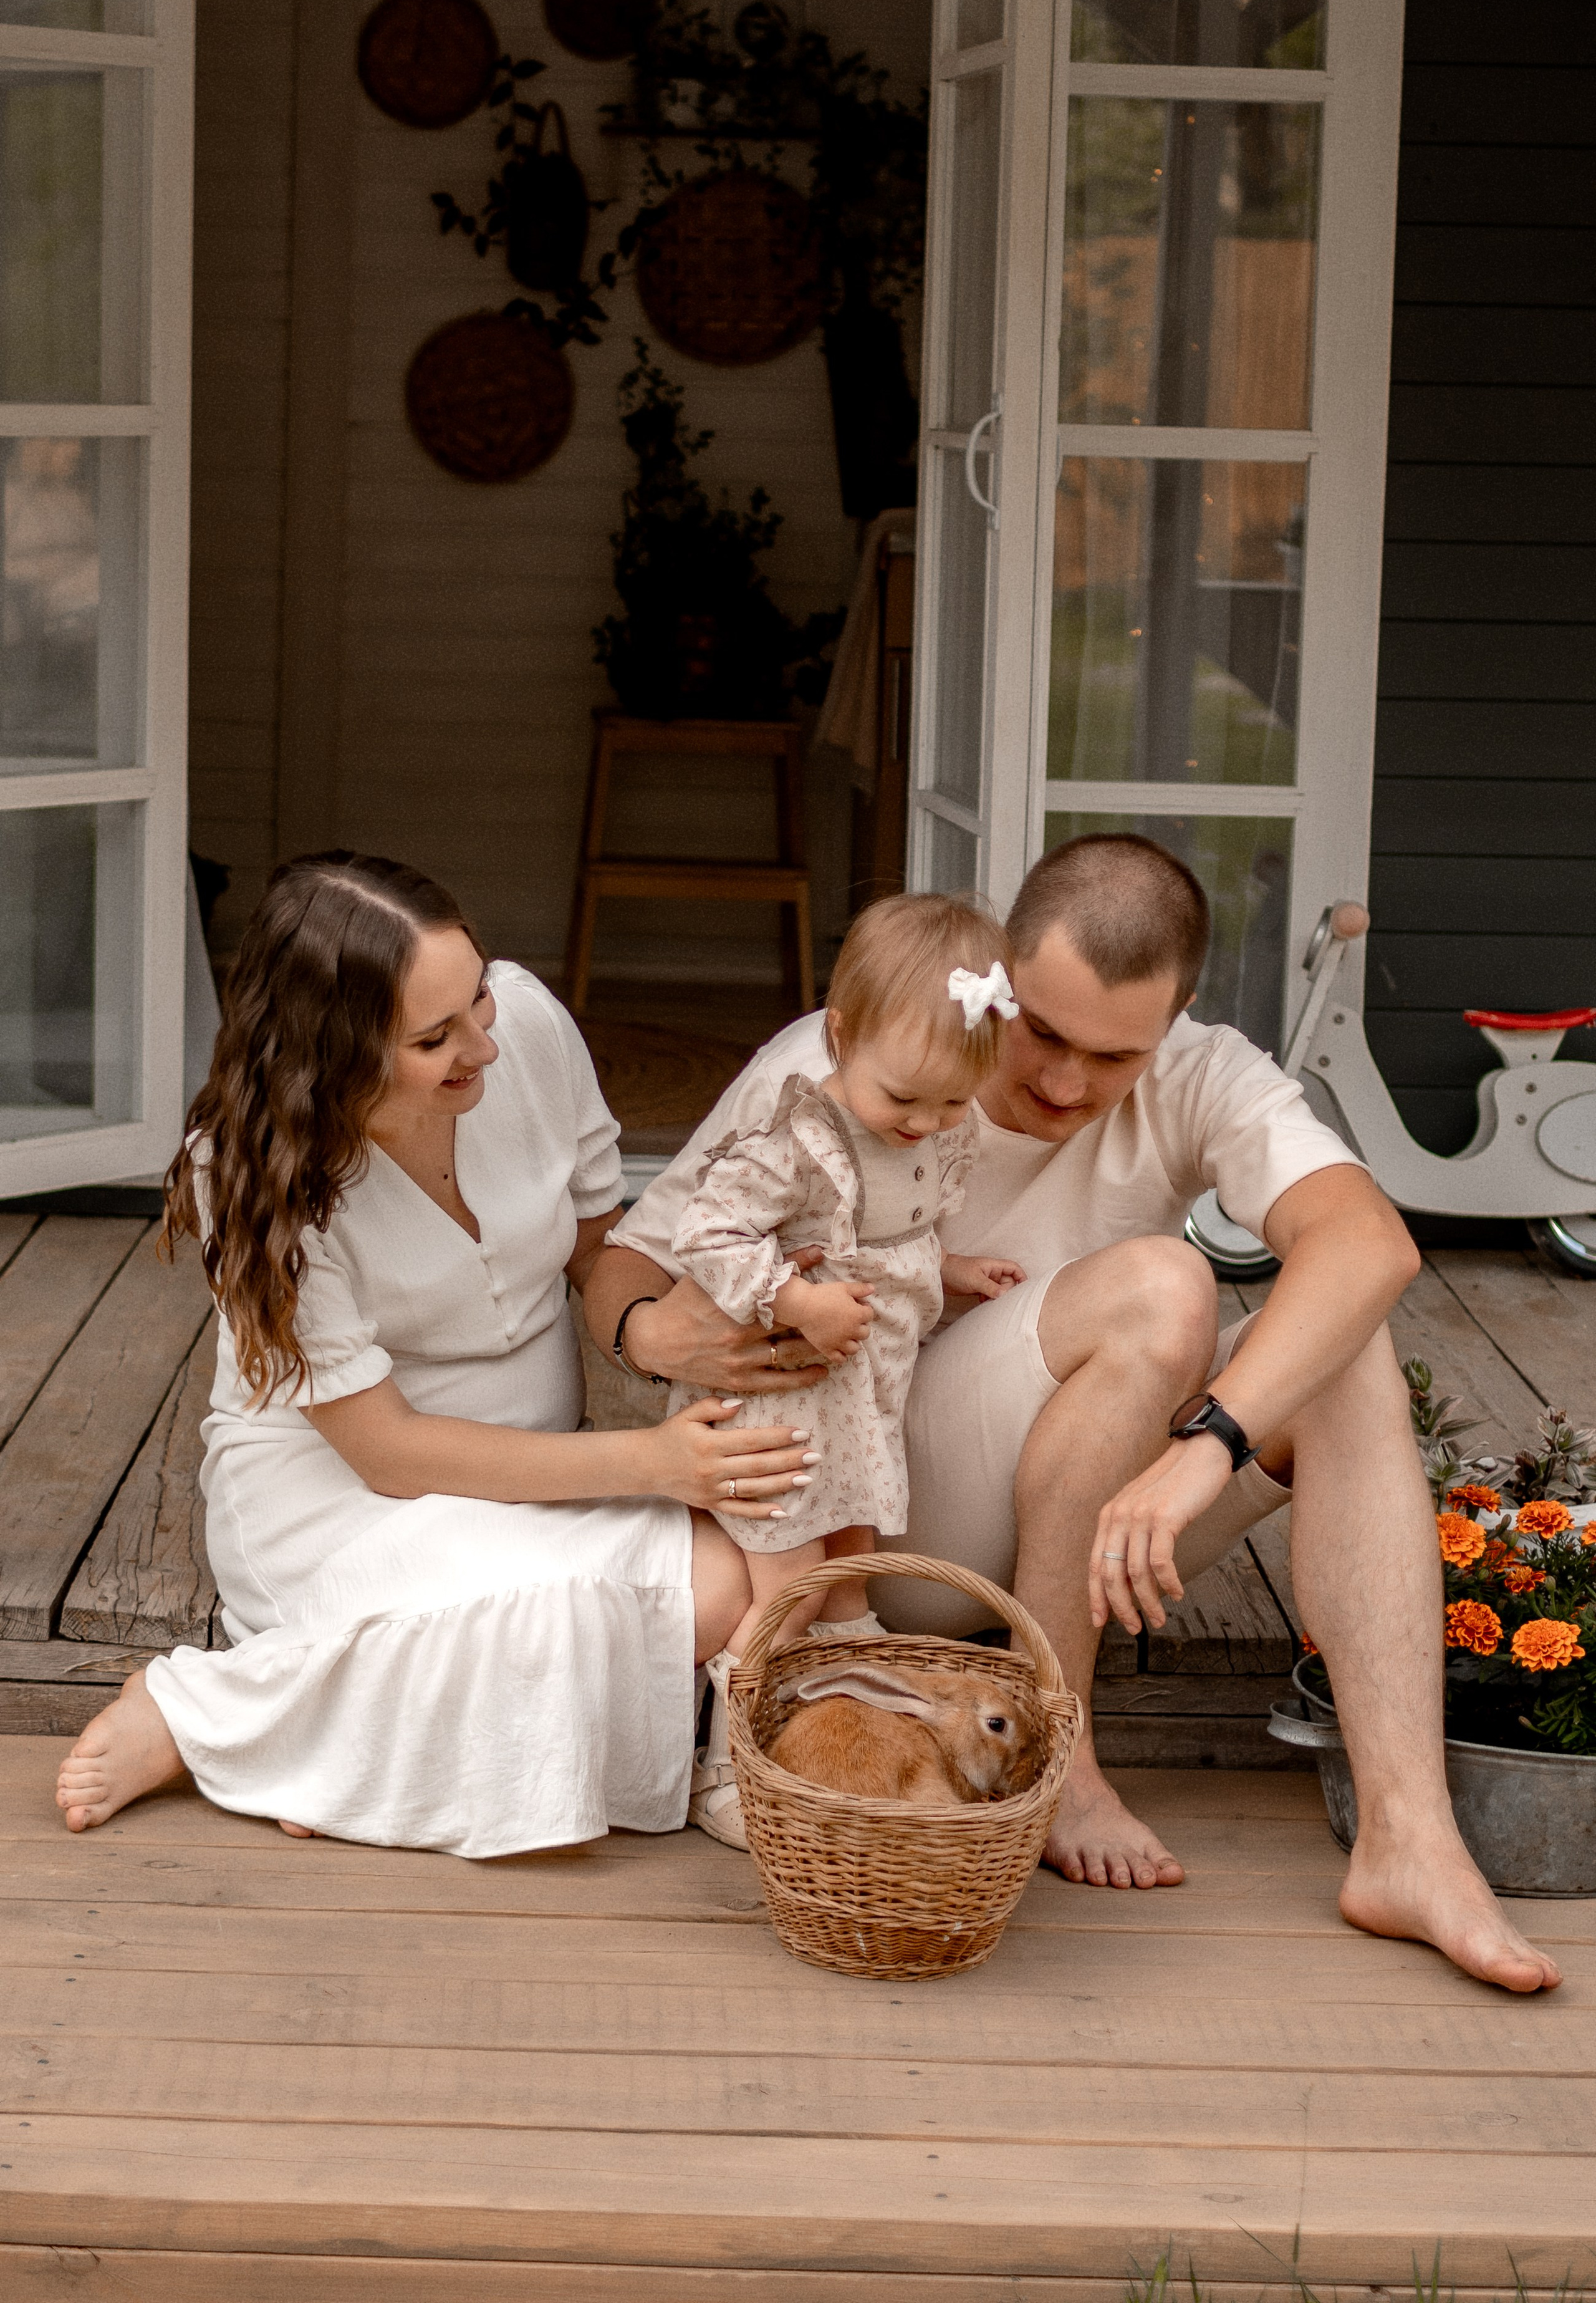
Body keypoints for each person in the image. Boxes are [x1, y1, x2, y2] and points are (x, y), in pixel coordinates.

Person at [587, 834, 1561, 1993]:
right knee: (1166, 1282)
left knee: (1345, 1344)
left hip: (1087, 1520)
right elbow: (625, 1261)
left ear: (1178, 1017)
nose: (1060, 1083)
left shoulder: (1206, 1071)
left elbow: (1371, 1244)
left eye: (1112, 1058)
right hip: (862, 1524)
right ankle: (1069, 1754)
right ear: (997, 976)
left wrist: (1209, 1452)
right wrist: (655, 1336)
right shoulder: (865, 1054)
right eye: (1039, 1035)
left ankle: (1411, 1841)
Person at [54, 853, 812, 1856]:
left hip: (537, 1477)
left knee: (721, 1584)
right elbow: (390, 1454)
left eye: (479, 1000)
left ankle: (340, 1741)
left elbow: (595, 1242)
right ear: (333, 1055)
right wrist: (654, 1462)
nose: (482, 1050)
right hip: (344, 1500)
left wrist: (651, 1324)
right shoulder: (247, 1172)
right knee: (682, 1597)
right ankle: (200, 1710)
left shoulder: (533, 1029)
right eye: (432, 1038)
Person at [667, 892, 1026, 1843]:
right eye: (902, 1098)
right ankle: (720, 1768)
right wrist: (791, 1296)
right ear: (839, 1037)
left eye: (952, 1101)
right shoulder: (800, 1139)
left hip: (860, 1413)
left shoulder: (939, 1131)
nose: (924, 1122)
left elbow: (893, 1237)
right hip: (781, 1415)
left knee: (849, 1591)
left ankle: (829, 1756)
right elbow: (706, 1232)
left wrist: (947, 1270)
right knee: (791, 1599)